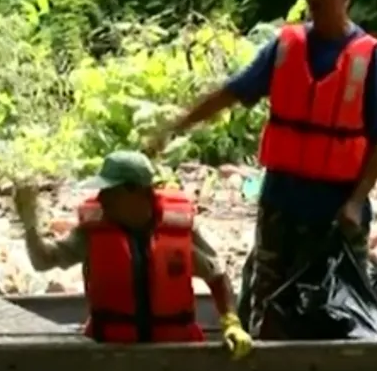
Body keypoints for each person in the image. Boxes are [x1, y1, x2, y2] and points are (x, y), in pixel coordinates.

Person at [145, 0, 377, 339]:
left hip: (338, 210)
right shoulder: (287, 46)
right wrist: (175, 126)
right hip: (282, 203)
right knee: (267, 303)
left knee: (343, 308)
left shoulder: (370, 57)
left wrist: (356, 200)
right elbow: (232, 91)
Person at [13, 150, 253, 357]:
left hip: (176, 354)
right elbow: (43, 261)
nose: (101, 198)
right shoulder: (91, 234)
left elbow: (216, 276)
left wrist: (231, 322)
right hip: (111, 353)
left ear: (135, 192)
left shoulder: (179, 230)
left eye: (109, 191)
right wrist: (31, 226)